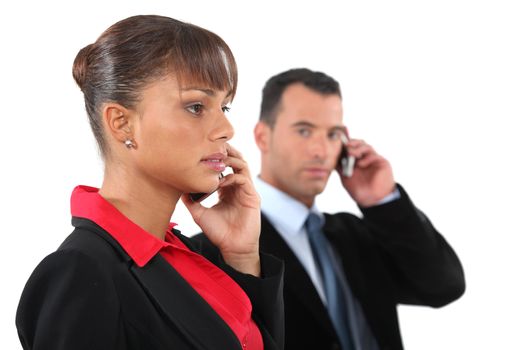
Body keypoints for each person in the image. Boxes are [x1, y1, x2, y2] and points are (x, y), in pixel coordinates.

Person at [15, 15, 284, 350]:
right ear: (122, 123)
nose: (226, 130)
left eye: (224, 106)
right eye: (197, 106)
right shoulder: (79, 273)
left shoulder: (192, 253)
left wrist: (242, 257)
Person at [253, 68, 465, 350]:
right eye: (304, 131)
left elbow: (442, 287)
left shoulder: (353, 235)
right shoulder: (221, 248)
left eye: (333, 134)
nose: (321, 150)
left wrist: (381, 201)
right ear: (262, 136)